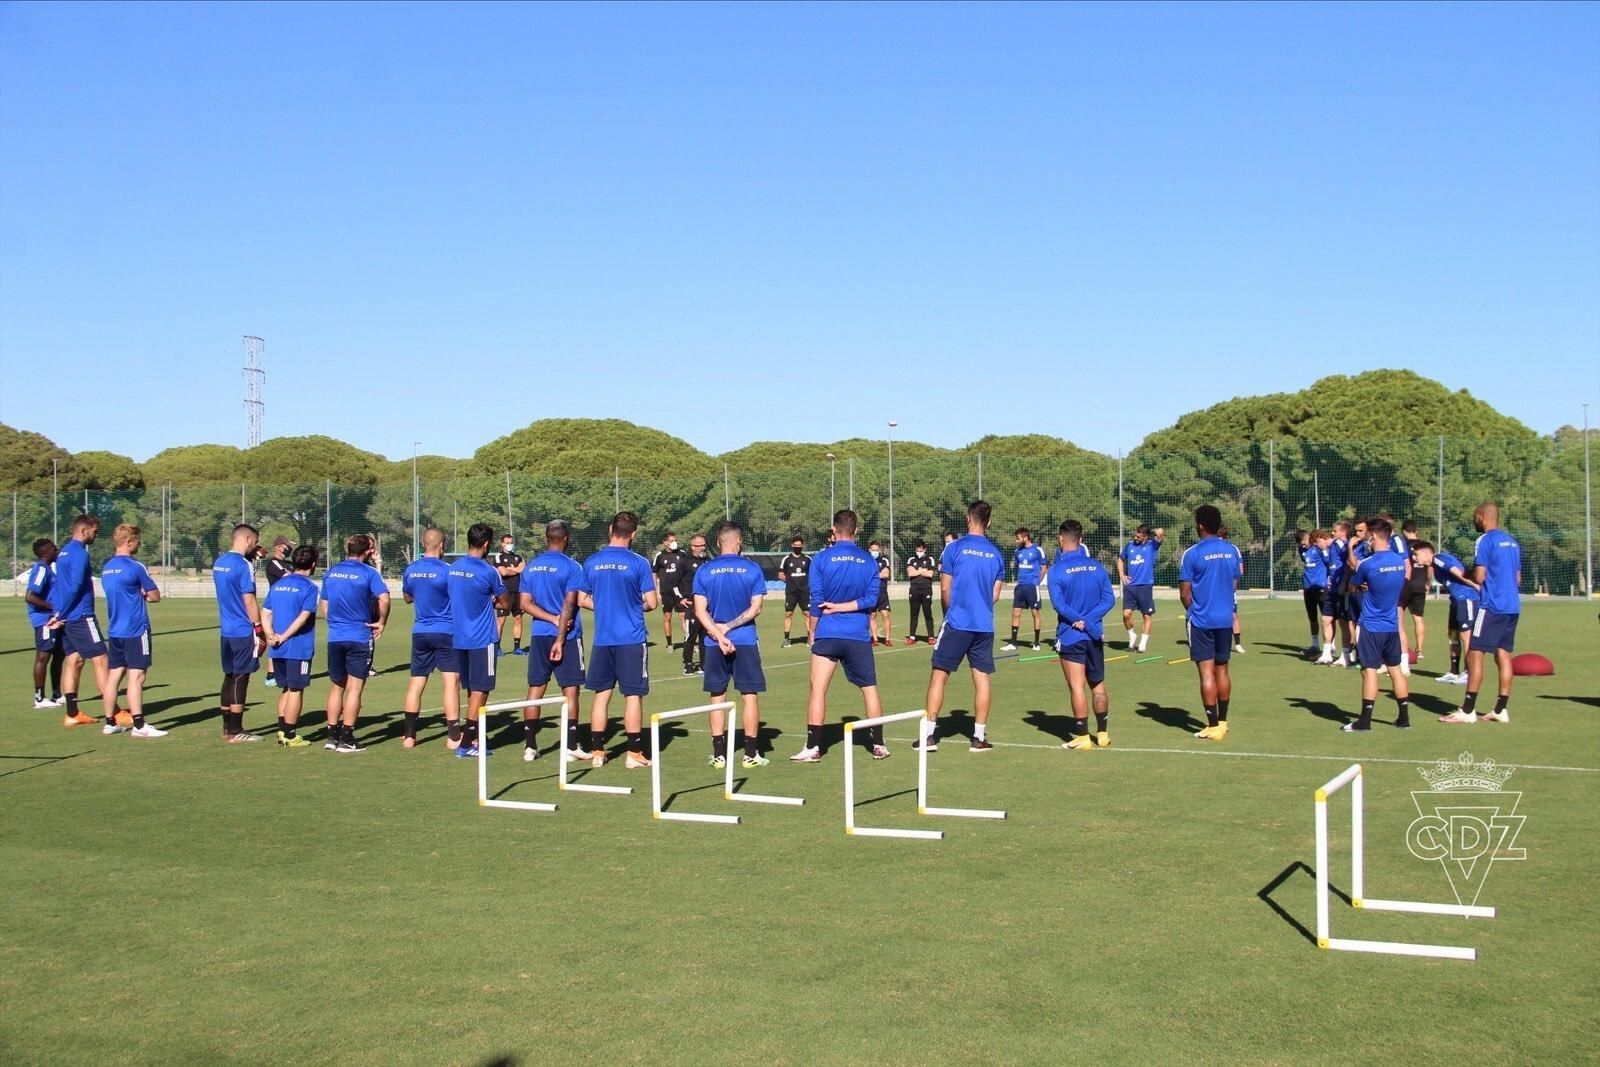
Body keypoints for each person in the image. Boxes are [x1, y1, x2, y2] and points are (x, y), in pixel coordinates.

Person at [791, 509, 884, 762]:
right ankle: (878, 744)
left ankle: (813, 748)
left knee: (817, 690)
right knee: (869, 688)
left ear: (834, 530)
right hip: (857, 635)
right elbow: (871, 599)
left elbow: (816, 601)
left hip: (828, 633)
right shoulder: (868, 561)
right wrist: (847, 607)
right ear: (856, 531)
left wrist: (812, 632)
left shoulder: (821, 559)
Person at [916, 501, 1004, 753]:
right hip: (983, 625)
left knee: (939, 675)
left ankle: (929, 736)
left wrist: (950, 613)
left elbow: (945, 587)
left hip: (957, 622)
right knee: (982, 678)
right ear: (988, 522)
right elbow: (995, 594)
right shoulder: (996, 553)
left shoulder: (954, 548)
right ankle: (978, 737)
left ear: (968, 519)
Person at [583, 511, 658, 768]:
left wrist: (604, 606)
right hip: (631, 638)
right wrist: (630, 605)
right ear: (633, 534)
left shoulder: (592, 561)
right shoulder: (639, 563)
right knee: (633, 695)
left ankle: (597, 751)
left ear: (610, 529)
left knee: (601, 695)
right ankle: (634, 753)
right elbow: (652, 602)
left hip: (603, 639)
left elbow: (582, 598)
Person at [693, 520, 771, 768]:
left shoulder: (704, 571)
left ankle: (719, 755)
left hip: (714, 642)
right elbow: (756, 607)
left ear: (717, 543)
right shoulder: (752, 569)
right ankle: (750, 754)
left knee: (717, 695)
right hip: (745, 640)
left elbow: (700, 611)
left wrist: (718, 632)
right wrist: (729, 628)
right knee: (749, 695)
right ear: (739, 542)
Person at [1441, 502, 1521, 724]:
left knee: (1475, 653)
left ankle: (1467, 710)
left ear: (1482, 517)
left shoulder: (1484, 540)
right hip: (1513, 607)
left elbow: (1479, 577)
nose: (1473, 521)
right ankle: (1501, 709)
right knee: (1503, 654)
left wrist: (1464, 573)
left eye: (1475, 517)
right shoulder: (1513, 542)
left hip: (1491, 606)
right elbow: (1517, 579)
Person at [518, 519, 588, 762]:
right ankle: (569, 746)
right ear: (566, 538)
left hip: (538, 635)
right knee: (570, 691)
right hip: (566, 637)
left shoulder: (532, 567)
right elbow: (570, 603)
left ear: (547, 538)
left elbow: (524, 604)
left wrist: (548, 618)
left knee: (535, 689)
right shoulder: (572, 567)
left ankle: (530, 746)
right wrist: (559, 627)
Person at [1048, 520, 1116, 750]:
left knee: (1077, 687)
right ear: (1081, 539)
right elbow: (1109, 599)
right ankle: (1103, 733)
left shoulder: (1056, 570)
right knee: (1098, 686)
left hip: (1071, 635)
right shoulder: (1097, 567)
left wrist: (1081, 622)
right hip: (1094, 636)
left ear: (1060, 539)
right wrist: (1091, 623)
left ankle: (1083, 737)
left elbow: (1059, 605)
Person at [319, 534, 390, 753]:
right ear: (368, 550)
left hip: (336, 636)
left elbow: (325, 603)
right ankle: (347, 737)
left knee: (336, 685)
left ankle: (331, 735)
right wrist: (381, 622)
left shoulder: (332, 572)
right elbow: (385, 599)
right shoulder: (369, 573)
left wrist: (335, 622)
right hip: (359, 636)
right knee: (355, 689)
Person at [1342, 518, 1411, 731]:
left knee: (1369, 670)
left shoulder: (1367, 563)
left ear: (1372, 537)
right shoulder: (1400, 562)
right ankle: (1404, 717)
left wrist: (1362, 587)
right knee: (1395, 670)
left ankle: (1364, 721)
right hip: (1392, 625)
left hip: (1371, 625)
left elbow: (1353, 588)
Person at [1179, 505, 1242, 741]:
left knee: (1206, 673)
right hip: (1225, 618)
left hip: (1202, 620)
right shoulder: (1231, 551)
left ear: (1200, 525)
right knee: (1222, 670)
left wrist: (1195, 610)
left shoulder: (1192, 553)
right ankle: (1223, 721)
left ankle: (1213, 724)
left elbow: (1184, 593)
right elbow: (1234, 582)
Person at [98, 524, 165, 738]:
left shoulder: (107, 568)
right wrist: (144, 595)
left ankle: (110, 722)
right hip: (136, 629)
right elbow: (155, 595)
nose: (139, 544)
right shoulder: (135, 567)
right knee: (137, 676)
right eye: (137, 541)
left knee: (114, 675)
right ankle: (139, 725)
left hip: (115, 629)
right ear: (129, 542)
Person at [448, 523, 504, 758]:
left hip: (459, 637)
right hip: (482, 639)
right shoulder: (488, 571)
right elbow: (505, 602)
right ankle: (467, 742)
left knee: (472, 690)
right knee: (481, 691)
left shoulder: (453, 568)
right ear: (487, 544)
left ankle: (476, 737)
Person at [49, 515, 111, 728]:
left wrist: (58, 613)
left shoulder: (64, 552)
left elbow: (59, 586)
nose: (96, 535)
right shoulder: (79, 553)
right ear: (84, 531)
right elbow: (75, 586)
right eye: (95, 531)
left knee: (74, 660)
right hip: (81, 615)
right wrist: (62, 614)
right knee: (102, 659)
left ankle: (72, 713)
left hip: (68, 617)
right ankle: (114, 713)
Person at [401, 528, 460, 750]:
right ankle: (454, 735)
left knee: (416, 682)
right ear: (442, 545)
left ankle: (409, 736)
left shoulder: (411, 569)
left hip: (420, 631)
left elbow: (407, 597)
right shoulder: (448, 571)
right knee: (451, 681)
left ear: (423, 544)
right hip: (445, 631)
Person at [262, 544, 320, 748]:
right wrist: (285, 636)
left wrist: (271, 634)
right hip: (297, 647)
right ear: (313, 565)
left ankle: (281, 730)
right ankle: (290, 734)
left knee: (286, 688)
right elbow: (303, 617)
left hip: (276, 647)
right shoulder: (310, 587)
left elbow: (266, 611)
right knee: (296, 689)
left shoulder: (279, 585)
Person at [213, 523, 265, 741]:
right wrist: (259, 628)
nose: (255, 545)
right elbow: (249, 599)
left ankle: (227, 727)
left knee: (229, 676)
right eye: (254, 540)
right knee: (241, 678)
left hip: (226, 629)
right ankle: (237, 730)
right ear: (247, 539)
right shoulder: (243, 565)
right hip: (244, 629)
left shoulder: (220, 562)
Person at [1409, 540, 1480, 685]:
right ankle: (1454, 672)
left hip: (1466, 598)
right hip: (1455, 600)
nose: (1414, 558)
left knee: (1466, 636)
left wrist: (1476, 586)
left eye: (1416, 555)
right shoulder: (1435, 567)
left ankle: (1469, 672)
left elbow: (1460, 574)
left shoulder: (1440, 559)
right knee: (1452, 635)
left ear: (1426, 552)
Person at [23, 538, 65, 709]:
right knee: (43, 656)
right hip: (45, 621)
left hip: (54, 620)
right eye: (54, 548)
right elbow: (30, 596)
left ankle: (57, 694)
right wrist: (53, 607)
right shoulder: (41, 569)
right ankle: (39, 698)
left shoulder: (48, 569)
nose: (57, 550)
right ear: (46, 552)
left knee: (59, 655)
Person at [1116, 524, 1165, 653]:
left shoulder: (1152, 546)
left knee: (1146, 616)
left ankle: (1142, 644)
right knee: (1126, 614)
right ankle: (1132, 635)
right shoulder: (1130, 545)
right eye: (1135, 535)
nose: (1135, 537)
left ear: (1146, 537)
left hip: (1145, 586)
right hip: (1130, 586)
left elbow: (1160, 532)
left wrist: (1151, 530)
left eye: (1139, 536)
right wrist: (1122, 575)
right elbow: (1120, 560)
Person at [1317, 521, 1355, 666]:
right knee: (1325, 619)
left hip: (1341, 589)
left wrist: (1345, 583)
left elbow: (1349, 562)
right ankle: (1326, 653)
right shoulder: (1333, 545)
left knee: (1343, 622)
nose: (1332, 533)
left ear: (1343, 532)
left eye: (1335, 531)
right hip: (1331, 588)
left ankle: (1346, 655)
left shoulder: (1341, 545)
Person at [1004, 527, 1046, 651]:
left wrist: (1036, 582)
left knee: (1035, 613)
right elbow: (1019, 567)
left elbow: (1044, 568)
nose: (1016, 541)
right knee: (1015, 613)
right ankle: (1013, 642)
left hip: (1032, 587)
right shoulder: (1017, 551)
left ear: (1025, 537)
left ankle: (1036, 643)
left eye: (1018, 538)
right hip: (1020, 587)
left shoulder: (1037, 550)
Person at [678, 534, 712, 675]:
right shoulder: (685, 562)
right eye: (698, 545)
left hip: (707, 606)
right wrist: (680, 598)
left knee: (705, 636)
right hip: (692, 605)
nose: (702, 548)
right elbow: (674, 581)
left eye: (703, 545)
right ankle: (688, 664)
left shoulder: (709, 562)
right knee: (691, 636)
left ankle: (704, 664)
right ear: (692, 547)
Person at [262, 536, 292, 687]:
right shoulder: (273, 563)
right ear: (279, 547)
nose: (289, 549)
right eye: (287, 546)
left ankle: (286, 668)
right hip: (275, 603)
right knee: (273, 636)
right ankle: (271, 673)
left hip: (290, 603)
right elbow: (288, 577)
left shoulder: (289, 563)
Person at [1396, 519, 1429, 662]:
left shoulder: (1403, 546)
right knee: (1418, 618)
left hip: (1406, 584)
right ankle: (1420, 649)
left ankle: (1401, 648)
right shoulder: (1425, 546)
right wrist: (1427, 583)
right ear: (1416, 531)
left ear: (1404, 532)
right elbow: (1430, 566)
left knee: (1399, 617)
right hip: (1420, 585)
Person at [491, 532, 526, 656]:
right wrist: (516, 570)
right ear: (502, 544)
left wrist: (510, 569)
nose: (510, 545)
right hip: (504, 592)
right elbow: (503, 572)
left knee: (518, 618)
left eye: (511, 543)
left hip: (518, 591)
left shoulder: (518, 557)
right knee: (501, 620)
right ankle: (497, 647)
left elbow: (523, 569)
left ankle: (517, 647)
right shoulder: (498, 557)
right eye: (508, 543)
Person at [652, 531, 687, 648]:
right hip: (666, 591)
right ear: (665, 543)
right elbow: (654, 573)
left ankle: (689, 641)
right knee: (667, 616)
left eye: (675, 540)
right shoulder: (660, 556)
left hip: (680, 591)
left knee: (683, 616)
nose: (674, 543)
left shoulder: (682, 554)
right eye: (672, 541)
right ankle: (669, 644)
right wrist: (656, 590)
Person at [1298, 529, 1329, 657]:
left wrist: (1324, 549)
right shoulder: (1302, 550)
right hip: (1308, 588)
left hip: (1321, 587)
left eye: (1304, 542)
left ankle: (1329, 646)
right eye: (1300, 544)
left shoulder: (1319, 548)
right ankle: (1315, 645)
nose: (1303, 545)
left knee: (1326, 618)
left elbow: (1328, 562)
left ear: (1309, 538)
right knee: (1312, 618)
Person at [778, 535, 813, 647]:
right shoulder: (787, 559)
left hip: (805, 591)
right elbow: (780, 574)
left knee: (807, 613)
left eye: (799, 545)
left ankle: (810, 639)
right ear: (792, 545)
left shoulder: (807, 559)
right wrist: (789, 580)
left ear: (802, 545)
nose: (797, 547)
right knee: (788, 613)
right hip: (791, 592)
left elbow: (813, 574)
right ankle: (786, 639)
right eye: (795, 545)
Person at [1218, 524, 1245, 653]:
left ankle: (1237, 643)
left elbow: (1240, 570)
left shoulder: (1233, 549)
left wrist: (1232, 587)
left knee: (1233, 616)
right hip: (1214, 589)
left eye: (1220, 537)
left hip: (1229, 589)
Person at [904, 539, 937, 644]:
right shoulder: (911, 560)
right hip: (914, 590)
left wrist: (917, 571)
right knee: (914, 614)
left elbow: (930, 574)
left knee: (928, 614)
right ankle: (912, 637)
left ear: (924, 549)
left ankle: (931, 637)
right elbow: (910, 573)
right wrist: (923, 570)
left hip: (926, 590)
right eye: (917, 550)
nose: (919, 552)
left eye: (921, 550)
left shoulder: (930, 559)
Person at [868, 539, 893, 646]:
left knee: (885, 614)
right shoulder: (866, 560)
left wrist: (872, 575)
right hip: (870, 592)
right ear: (869, 549)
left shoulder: (884, 561)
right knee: (872, 615)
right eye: (873, 550)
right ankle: (875, 639)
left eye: (877, 550)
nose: (875, 552)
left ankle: (887, 639)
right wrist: (878, 574)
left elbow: (886, 575)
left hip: (882, 592)